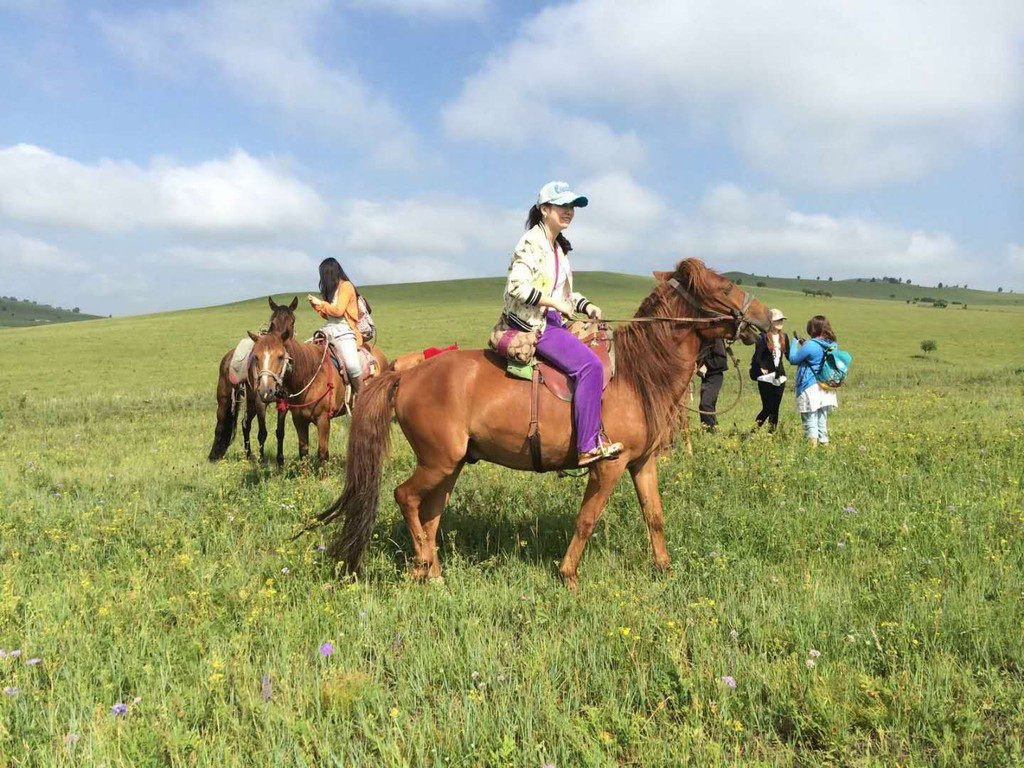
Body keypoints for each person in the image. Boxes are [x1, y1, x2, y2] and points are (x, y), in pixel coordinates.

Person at [504, 181, 622, 467]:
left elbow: (565, 294)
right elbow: (516, 287)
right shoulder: (530, 242)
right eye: (562, 206)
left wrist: (586, 305)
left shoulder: (558, 248)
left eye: (572, 207)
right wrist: (553, 303)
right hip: (534, 325)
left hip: (553, 319)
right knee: (590, 366)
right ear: (545, 209)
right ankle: (587, 445)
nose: (569, 211)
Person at [307, 258, 367, 398]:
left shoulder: (346, 286)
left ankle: (363, 395)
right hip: (329, 329)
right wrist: (316, 306)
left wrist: (321, 303)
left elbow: (339, 311)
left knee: (352, 365)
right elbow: (328, 316)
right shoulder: (332, 289)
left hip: (345, 330)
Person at [788, 314, 839, 447]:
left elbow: (793, 359)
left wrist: (794, 343)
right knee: (822, 419)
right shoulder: (832, 344)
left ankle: (812, 451)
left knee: (810, 419)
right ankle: (826, 447)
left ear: (813, 329)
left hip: (810, 386)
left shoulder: (811, 345)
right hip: (826, 386)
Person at [750, 308, 789, 431]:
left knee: (775, 407)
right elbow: (757, 357)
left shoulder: (784, 336)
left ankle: (771, 434)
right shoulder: (763, 337)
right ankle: (753, 431)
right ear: (770, 321)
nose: (780, 322)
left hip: (780, 376)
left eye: (781, 320)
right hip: (766, 378)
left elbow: (789, 355)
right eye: (777, 320)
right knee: (767, 407)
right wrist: (761, 367)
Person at [697, 338, 728, 432]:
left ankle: (711, 432)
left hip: (715, 376)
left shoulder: (716, 339)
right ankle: (711, 428)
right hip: (706, 377)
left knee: (705, 404)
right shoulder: (705, 340)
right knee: (708, 405)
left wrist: (706, 366)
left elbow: (721, 361)